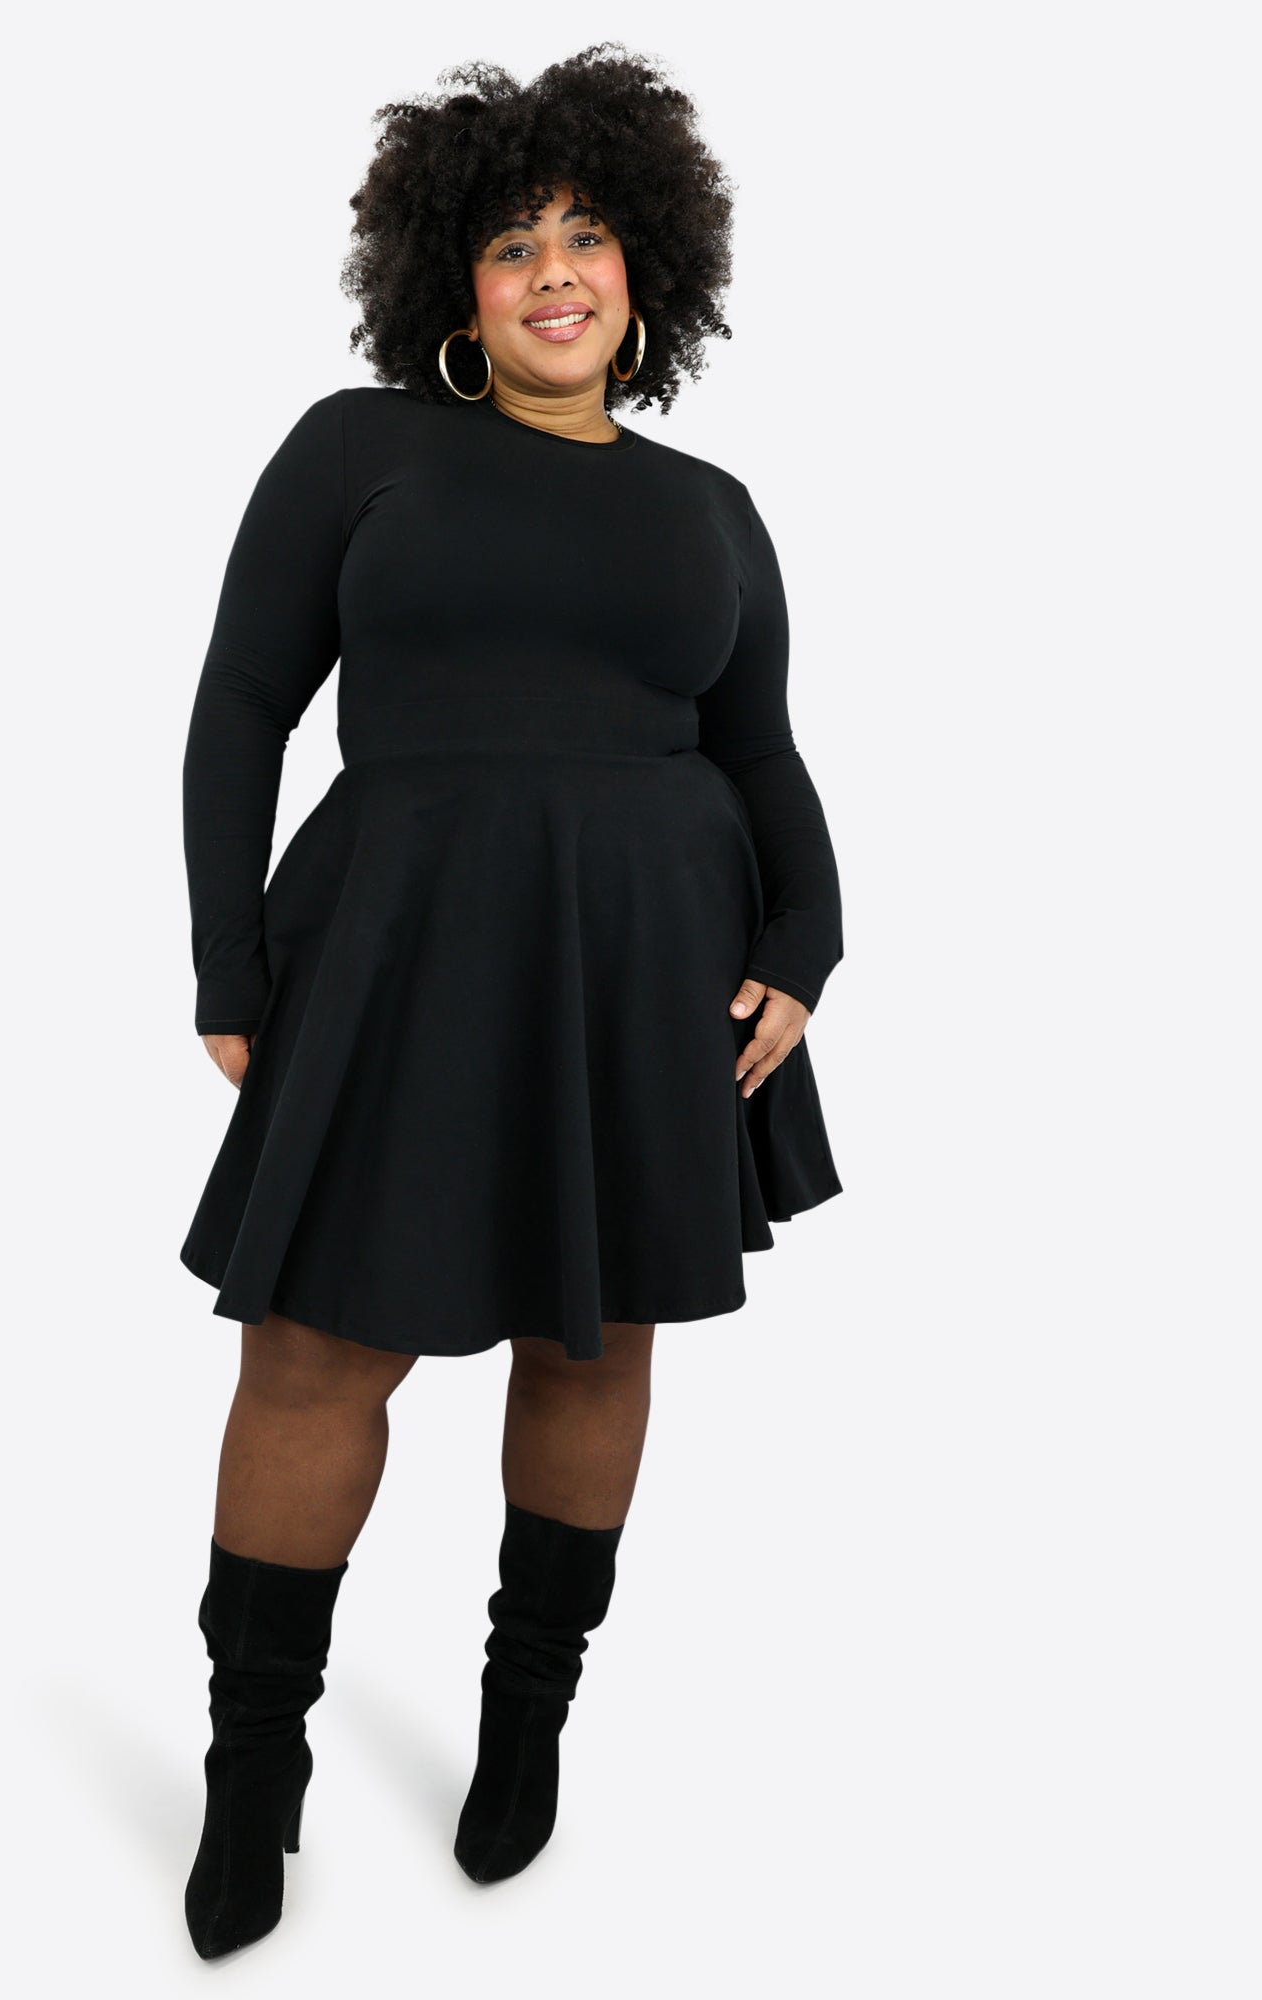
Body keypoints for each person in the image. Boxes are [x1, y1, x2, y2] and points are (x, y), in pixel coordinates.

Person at [177, 45, 845, 1959]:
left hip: (653, 961)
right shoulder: (356, 449)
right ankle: (252, 1769)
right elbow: (242, 706)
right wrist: (226, 957)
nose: (556, 271)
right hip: (401, 946)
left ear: (648, 268)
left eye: (588, 234)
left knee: (595, 1338)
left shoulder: (713, 506)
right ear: (453, 290)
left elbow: (761, 751)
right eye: (511, 244)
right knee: (315, 1352)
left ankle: (526, 1718)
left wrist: (809, 936)